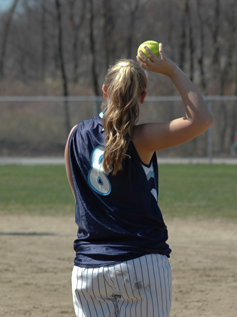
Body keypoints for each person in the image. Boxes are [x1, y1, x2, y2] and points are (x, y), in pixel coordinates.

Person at [64, 44, 214, 317]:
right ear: (142, 97)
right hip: (141, 263)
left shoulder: (76, 135)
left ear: (105, 91)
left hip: (88, 270)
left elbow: (82, 201)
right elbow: (201, 119)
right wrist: (171, 70)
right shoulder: (143, 139)